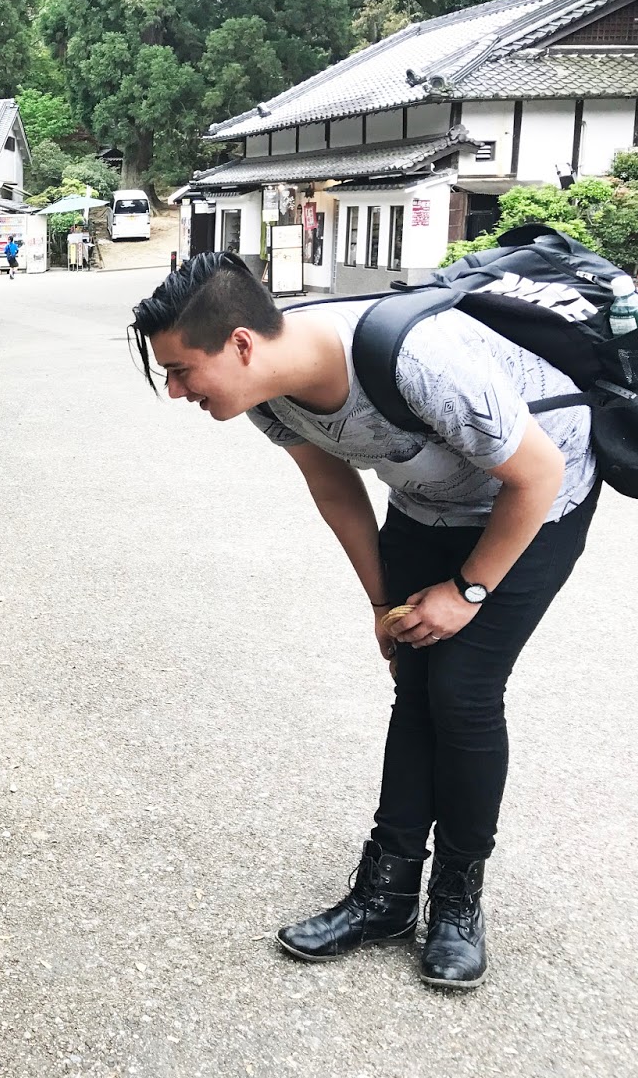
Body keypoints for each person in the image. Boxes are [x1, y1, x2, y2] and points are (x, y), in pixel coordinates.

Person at [130, 251, 598, 991]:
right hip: (427, 507)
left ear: (241, 344)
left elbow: (537, 474)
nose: (176, 390)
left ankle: (457, 899)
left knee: (463, 693)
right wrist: (383, 605)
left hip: (535, 502)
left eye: (182, 370)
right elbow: (336, 489)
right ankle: (386, 895)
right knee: (415, 682)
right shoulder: (267, 394)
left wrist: (467, 591)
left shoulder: (418, 360)